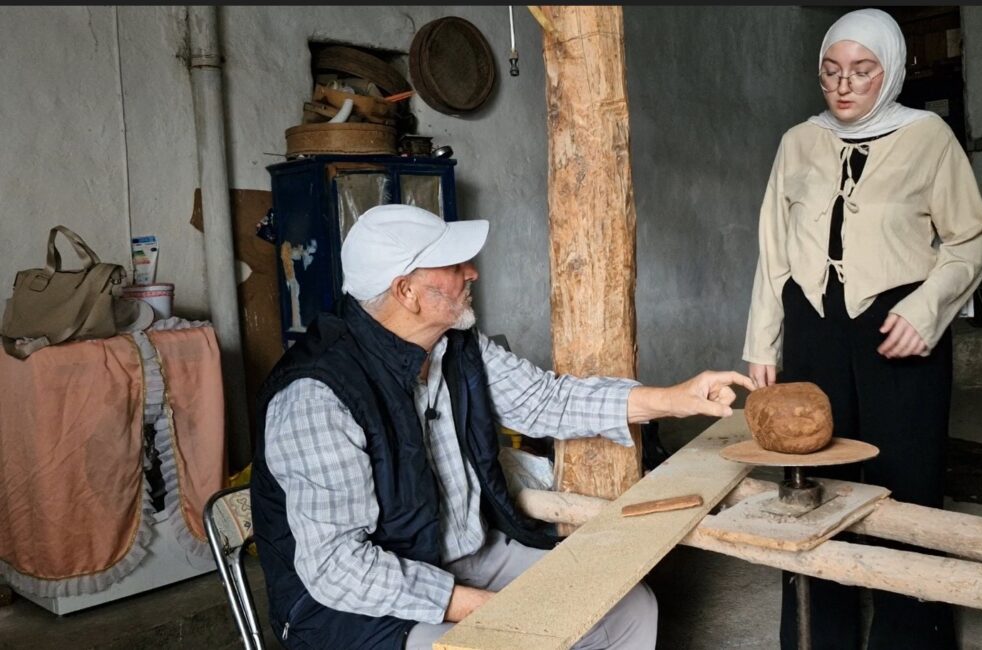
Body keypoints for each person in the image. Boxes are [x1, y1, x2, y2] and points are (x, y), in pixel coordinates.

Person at [251, 203, 757, 650]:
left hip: (467, 555)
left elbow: (546, 400)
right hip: (361, 608)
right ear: (406, 291)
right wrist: (483, 608)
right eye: (453, 266)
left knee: (628, 611)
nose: (471, 272)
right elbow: (337, 567)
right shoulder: (318, 394)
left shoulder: (454, 343)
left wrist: (674, 399)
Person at [742, 8, 982, 650]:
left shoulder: (928, 136)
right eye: (831, 72)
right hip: (812, 328)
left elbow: (969, 240)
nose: (844, 85)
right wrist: (764, 343)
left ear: (891, 72)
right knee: (813, 487)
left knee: (903, 483)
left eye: (861, 71)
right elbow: (774, 248)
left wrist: (927, 309)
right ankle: (817, 637)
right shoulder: (799, 140)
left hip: (898, 327)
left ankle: (911, 637)